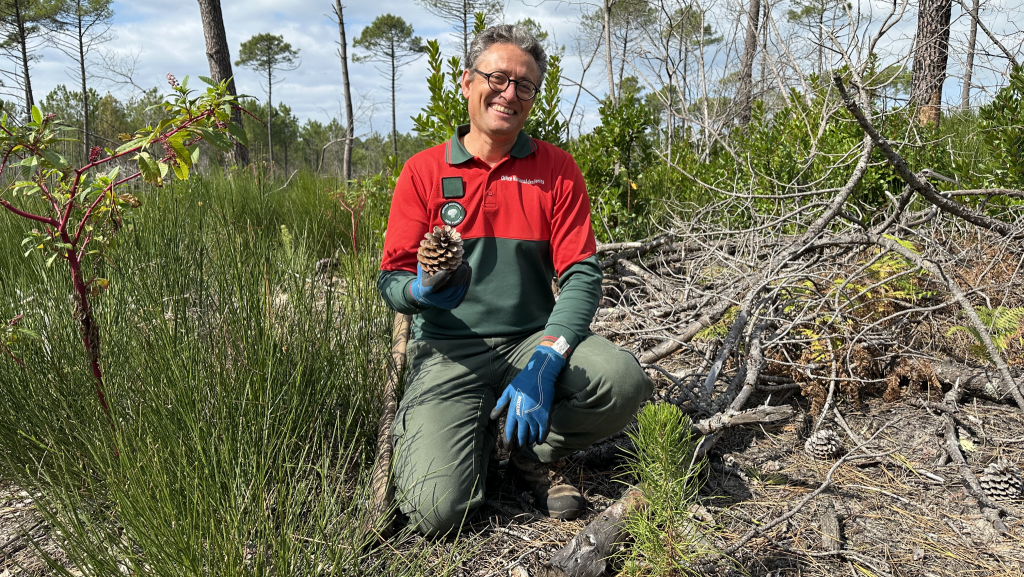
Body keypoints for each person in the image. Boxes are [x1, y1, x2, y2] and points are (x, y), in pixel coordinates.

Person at [377, 23, 653, 537]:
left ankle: (533, 452)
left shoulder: (556, 169)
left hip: (529, 340)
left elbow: (581, 274)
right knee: (437, 510)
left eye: (524, 85)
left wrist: (548, 357)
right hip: (446, 350)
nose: (510, 93)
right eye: (497, 78)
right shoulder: (423, 172)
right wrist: (420, 290)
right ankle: (480, 435)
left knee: (622, 382)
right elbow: (391, 279)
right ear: (466, 82)